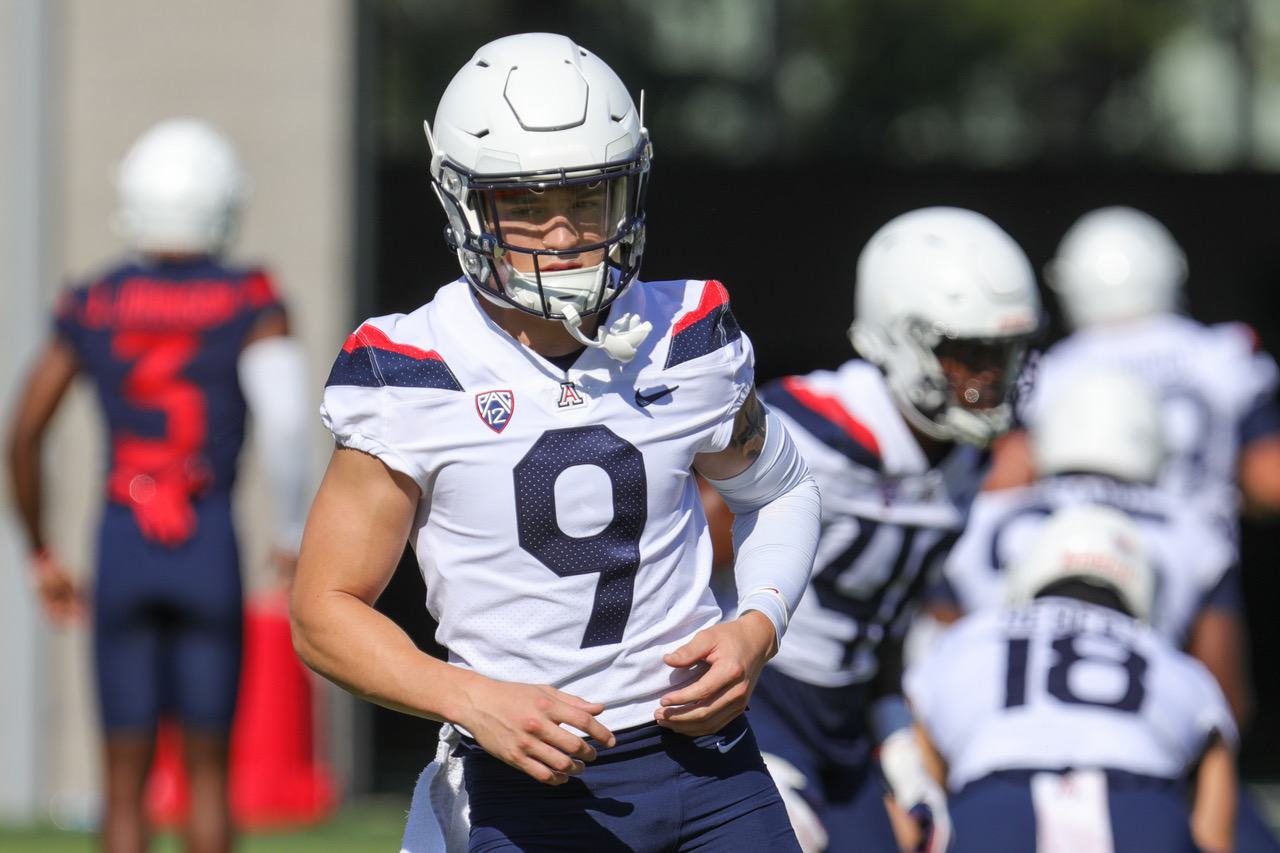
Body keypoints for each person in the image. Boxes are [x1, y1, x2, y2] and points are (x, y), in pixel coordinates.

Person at [289, 33, 822, 853]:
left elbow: (781, 489)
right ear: (465, 203)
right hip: (529, 774)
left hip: (711, 762)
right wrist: (468, 697)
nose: (565, 235)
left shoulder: (685, 335)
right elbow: (324, 609)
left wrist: (759, 622)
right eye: (527, 206)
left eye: (588, 198)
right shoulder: (411, 369)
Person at [6, 118, 311, 853]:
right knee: (209, 776)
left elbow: (23, 433)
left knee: (122, 783)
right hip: (205, 537)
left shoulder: (95, 299)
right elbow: (286, 419)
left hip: (123, 539)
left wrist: (40, 551)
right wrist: (290, 531)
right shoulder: (250, 297)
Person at [744, 206, 1042, 852]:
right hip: (756, 696)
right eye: (969, 354)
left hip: (845, 714)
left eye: (1003, 355)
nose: (989, 379)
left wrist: (899, 740)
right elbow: (679, 565)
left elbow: (887, 618)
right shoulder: (807, 429)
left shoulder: (966, 460)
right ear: (899, 340)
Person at [905, 504, 1240, 853]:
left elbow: (914, 781)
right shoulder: (1173, 661)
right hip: (1140, 811)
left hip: (996, 805)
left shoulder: (966, 640)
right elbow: (1215, 835)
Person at [936, 367, 1252, 723]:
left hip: (993, 727)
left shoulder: (981, 516)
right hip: (1135, 732)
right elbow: (1222, 703)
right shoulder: (1196, 535)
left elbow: (936, 665)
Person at [985, 205, 1280, 540]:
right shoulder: (1219, 354)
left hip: (1087, 554)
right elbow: (1269, 483)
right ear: (1168, 268)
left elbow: (1004, 487)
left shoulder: (1053, 371)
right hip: (1197, 555)